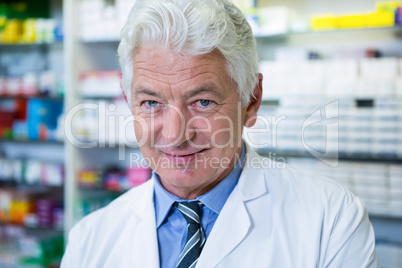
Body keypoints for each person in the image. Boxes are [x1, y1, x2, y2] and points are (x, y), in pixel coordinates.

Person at [61, 0, 380, 267]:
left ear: (251, 100)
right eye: (152, 102)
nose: (175, 134)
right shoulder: (90, 240)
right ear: (130, 102)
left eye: (202, 102)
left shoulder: (332, 220)